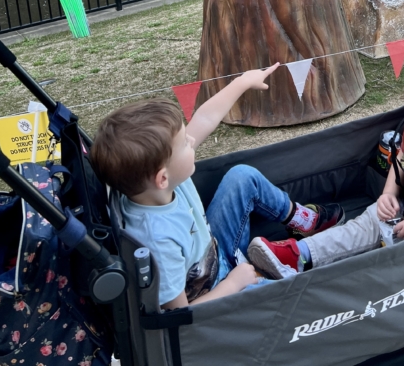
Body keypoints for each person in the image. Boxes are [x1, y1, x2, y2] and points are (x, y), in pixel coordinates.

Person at [90, 64, 344, 309]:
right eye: (184, 143)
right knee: (294, 296)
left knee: (242, 176)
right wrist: (234, 283)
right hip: (216, 293)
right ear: (162, 178)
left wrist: (243, 82)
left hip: (217, 249)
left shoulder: (160, 182)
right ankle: (269, 270)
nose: (191, 139)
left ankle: (302, 222)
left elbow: (206, 117)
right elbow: (178, 314)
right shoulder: (157, 239)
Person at [248, 53, 404, 279]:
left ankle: (298, 261)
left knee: (367, 241)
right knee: (364, 225)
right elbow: (401, 163)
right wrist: (388, 194)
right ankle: (298, 255)